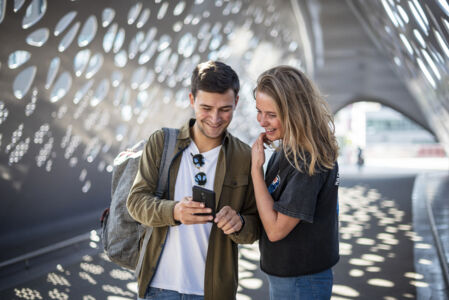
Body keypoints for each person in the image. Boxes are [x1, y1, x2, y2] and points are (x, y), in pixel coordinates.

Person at [127, 60, 260, 300]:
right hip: (158, 286)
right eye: (206, 108)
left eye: (225, 109)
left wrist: (239, 223)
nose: (215, 118)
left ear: (237, 102)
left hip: (213, 291)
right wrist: (174, 211)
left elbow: (254, 227)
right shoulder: (161, 143)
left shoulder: (244, 156)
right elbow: (135, 202)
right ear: (191, 100)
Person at [251, 66, 340, 299]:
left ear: (294, 112)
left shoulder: (307, 160)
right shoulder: (288, 149)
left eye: (271, 115)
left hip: (302, 281)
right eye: (259, 111)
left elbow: (275, 230)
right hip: (292, 278)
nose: (262, 121)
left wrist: (255, 170)